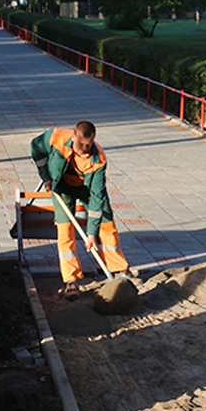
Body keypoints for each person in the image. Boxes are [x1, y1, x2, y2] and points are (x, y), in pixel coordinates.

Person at [31, 120, 134, 300]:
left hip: (87, 189)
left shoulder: (98, 159)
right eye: (81, 144)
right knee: (65, 230)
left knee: (106, 222)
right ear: (73, 136)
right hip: (62, 187)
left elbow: (96, 197)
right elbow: (36, 146)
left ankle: (118, 270)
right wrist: (45, 176)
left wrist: (92, 234)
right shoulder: (56, 137)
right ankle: (71, 280)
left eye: (89, 144)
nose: (85, 149)